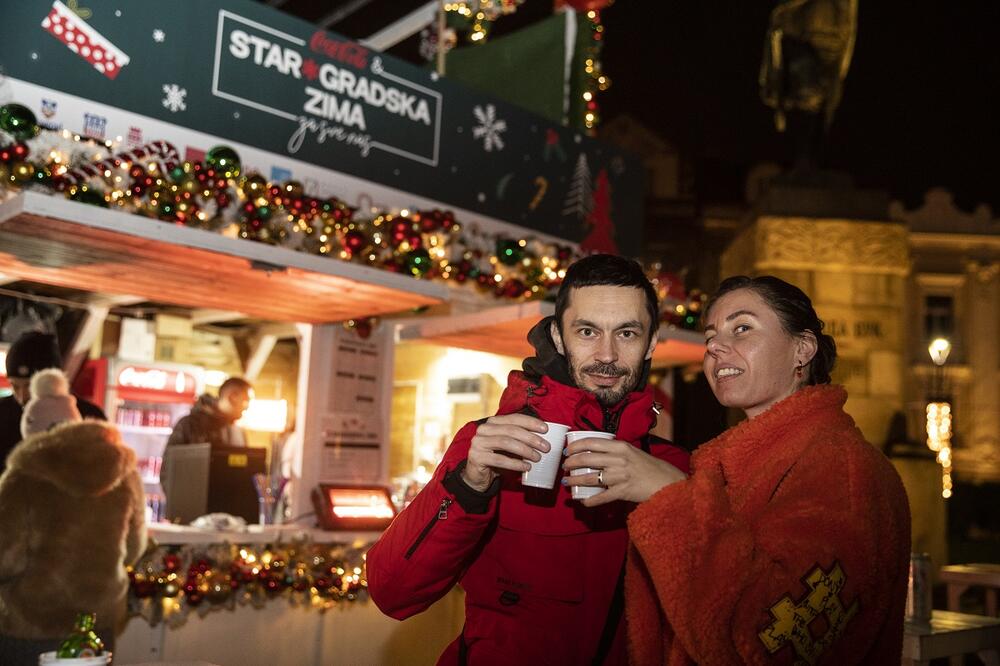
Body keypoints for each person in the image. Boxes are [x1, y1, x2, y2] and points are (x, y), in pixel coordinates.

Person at [564, 275, 911, 665]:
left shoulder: (843, 468)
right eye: (711, 336)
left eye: (742, 328)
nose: (714, 347)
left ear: (803, 349)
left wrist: (673, 499)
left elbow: (765, 642)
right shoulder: (738, 463)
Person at [366, 254, 690, 665]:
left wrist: (674, 494)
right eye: (587, 331)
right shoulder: (489, 444)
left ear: (651, 343)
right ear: (557, 337)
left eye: (627, 333)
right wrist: (469, 484)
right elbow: (392, 593)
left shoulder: (674, 467)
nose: (607, 354)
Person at [0, 368, 146, 665]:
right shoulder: (124, 472)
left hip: (29, 626)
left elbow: (5, 558)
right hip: (96, 625)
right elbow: (133, 549)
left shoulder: (24, 476)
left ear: (32, 430)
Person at [0, 331, 106, 475]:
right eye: (15, 386)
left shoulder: (88, 418)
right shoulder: (2, 413)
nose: (22, 396)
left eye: (30, 385)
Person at [165, 376, 253, 449]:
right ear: (233, 397)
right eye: (246, 400)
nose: (247, 407)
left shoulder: (239, 433)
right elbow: (169, 466)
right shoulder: (189, 425)